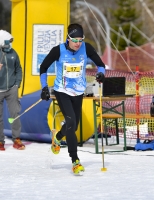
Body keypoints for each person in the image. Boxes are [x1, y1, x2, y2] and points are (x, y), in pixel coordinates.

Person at [40, 23, 105, 175]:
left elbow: (101, 65)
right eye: (74, 40)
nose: (78, 43)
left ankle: (57, 138)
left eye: (80, 40)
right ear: (68, 38)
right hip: (62, 91)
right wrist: (44, 87)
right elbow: (43, 67)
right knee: (70, 122)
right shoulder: (58, 50)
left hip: (79, 92)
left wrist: (101, 74)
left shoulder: (86, 48)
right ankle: (75, 161)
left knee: (73, 127)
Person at [0, 30, 24, 151]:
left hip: (12, 89)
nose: (10, 45)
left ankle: (16, 139)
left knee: (15, 114)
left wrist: (17, 84)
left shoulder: (13, 53)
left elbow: (19, 69)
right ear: (2, 42)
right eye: (8, 42)